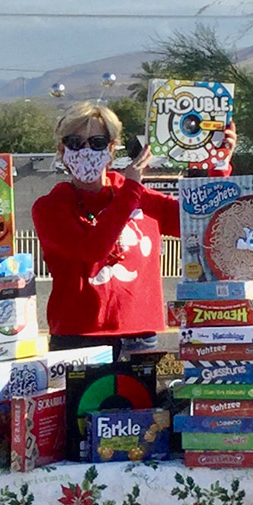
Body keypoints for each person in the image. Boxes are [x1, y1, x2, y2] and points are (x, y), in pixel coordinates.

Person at [30, 103, 181, 356]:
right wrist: (131, 191)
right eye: (75, 142)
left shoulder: (137, 195)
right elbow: (92, 250)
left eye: (97, 142)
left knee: (142, 397)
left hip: (140, 336)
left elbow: (199, 220)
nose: (86, 150)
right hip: (78, 338)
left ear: (112, 149)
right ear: (62, 149)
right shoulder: (49, 207)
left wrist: (217, 166)